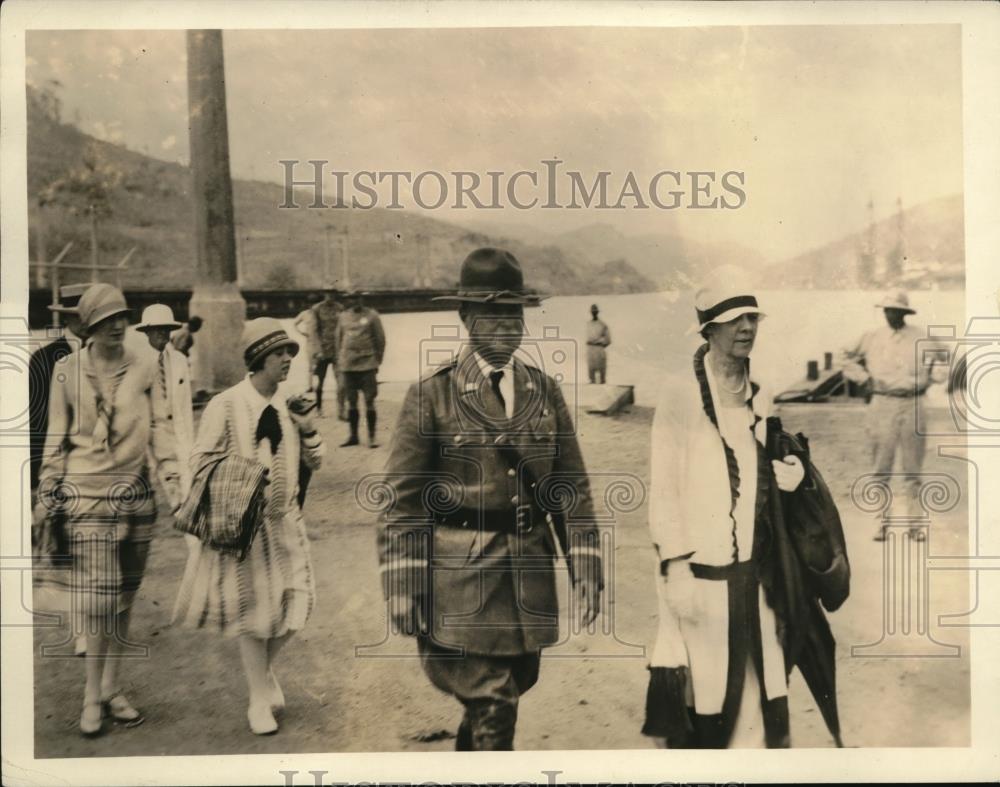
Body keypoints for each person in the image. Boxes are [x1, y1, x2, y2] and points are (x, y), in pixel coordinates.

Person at [377, 247, 603, 750]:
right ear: (465, 318)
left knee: (516, 684)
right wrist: (401, 583)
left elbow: (572, 488)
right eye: (493, 316)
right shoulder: (430, 395)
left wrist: (586, 568)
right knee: (496, 702)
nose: (506, 328)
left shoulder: (544, 392)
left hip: (528, 571)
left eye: (514, 315)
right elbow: (402, 503)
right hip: (459, 577)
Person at [642, 267, 805, 749]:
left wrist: (792, 475)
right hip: (700, 580)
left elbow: (770, 472)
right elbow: (665, 488)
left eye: (752, 317)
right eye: (734, 320)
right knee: (702, 705)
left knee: (757, 708)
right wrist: (675, 569)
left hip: (755, 580)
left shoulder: (762, 391)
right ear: (708, 329)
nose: (747, 328)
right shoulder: (679, 393)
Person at [34, 283, 181, 737]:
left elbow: (159, 429)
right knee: (98, 603)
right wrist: (45, 494)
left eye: (122, 317)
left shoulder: (146, 365)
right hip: (86, 496)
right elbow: (56, 438)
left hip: (136, 496)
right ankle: (90, 696)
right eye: (106, 320)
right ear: (88, 326)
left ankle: (112, 688)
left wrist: (175, 485)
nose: (117, 325)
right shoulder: (64, 371)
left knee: (124, 599)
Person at [171, 318, 324, 735]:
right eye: (280, 354)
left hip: (286, 519)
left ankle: (264, 673)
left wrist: (309, 429)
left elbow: (316, 461)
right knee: (255, 614)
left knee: (299, 605)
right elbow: (199, 462)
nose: (288, 361)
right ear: (258, 358)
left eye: (291, 353)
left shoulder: (290, 403)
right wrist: (242, 480)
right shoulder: (226, 404)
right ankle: (259, 698)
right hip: (245, 527)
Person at [841, 290, 945, 541]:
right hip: (882, 403)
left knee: (913, 470)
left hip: (914, 404)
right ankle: (881, 524)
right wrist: (862, 377)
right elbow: (845, 357)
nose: (891, 314)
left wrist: (935, 376)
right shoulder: (871, 337)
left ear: (904, 313)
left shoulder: (921, 337)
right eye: (888, 310)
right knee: (880, 468)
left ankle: (915, 525)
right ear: (884, 312)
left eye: (896, 310)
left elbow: (946, 358)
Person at [29, 283, 89, 494]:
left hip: (94, 464)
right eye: (79, 315)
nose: (86, 321)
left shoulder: (103, 356)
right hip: (57, 463)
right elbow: (37, 418)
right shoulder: (44, 358)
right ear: (66, 318)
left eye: (91, 315)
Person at [334, 290, 385, 447]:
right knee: (352, 402)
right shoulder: (342, 317)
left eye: (356, 298)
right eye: (350, 298)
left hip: (367, 364)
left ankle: (372, 438)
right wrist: (340, 363)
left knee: (369, 401)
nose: (354, 301)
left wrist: (377, 362)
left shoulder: (372, 315)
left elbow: (381, 340)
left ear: (362, 299)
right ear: (347, 300)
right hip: (348, 366)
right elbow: (338, 340)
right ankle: (353, 436)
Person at [310, 289, 344, 419]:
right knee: (320, 381)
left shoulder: (340, 308)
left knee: (340, 380)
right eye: (328, 294)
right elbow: (314, 330)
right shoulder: (317, 309)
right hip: (323, 350)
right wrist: (317, 350)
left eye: (333, 294)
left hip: (337, 350)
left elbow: (343, 328)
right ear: (324, 294)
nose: (330, 296)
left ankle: (341, 409)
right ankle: (319, 409)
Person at [585, 303, 611, 384]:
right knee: (591, 374)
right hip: (590, 351)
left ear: (598, 312)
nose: (594, 313)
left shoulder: (603, 325)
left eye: (595, 311)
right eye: (592, 312)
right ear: (591, 313)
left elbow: (608, 340)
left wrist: (599, 344)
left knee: (602, 374)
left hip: (599, 351)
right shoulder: (588, 324)